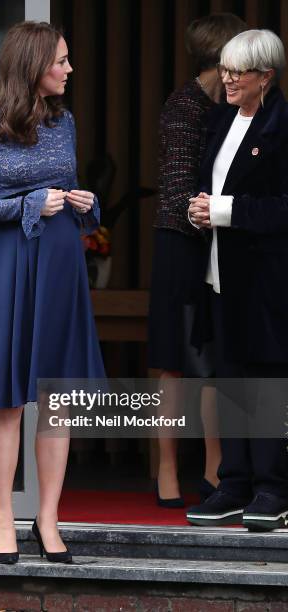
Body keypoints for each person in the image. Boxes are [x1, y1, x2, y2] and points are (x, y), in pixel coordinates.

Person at [0, 21, 105, 562]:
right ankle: (1, 518)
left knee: (57, 400)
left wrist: (81, 201)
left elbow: (63, 183)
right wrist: (27, 205)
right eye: (60, 60)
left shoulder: (65, 123)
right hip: (12, 262)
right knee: (9, 399)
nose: (68, 69)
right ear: (32, 65)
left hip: (61, 260)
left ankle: (48, 518)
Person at [187, 29, 288, 530]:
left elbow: (283, 209)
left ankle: (273, 486)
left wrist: (223, 210)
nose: (226, 79)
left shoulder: (282, 127)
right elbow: (212, 188)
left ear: (265, 77)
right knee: (228, 377)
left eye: (238, 72)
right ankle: (234, 482)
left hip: (266, 279)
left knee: (264, 380)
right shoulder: (222, 119)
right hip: (220, 273)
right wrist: (200, 209)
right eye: (225, 68)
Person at [148, 13, 245, 507]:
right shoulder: (184, 106)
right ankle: (167, 469)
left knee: (210, 359)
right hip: (180, 242)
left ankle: (214, 465)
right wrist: (210, 215)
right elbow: (178, 185)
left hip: (218, 241)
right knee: (173, 363)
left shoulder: (234, 108)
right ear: (222, 56)